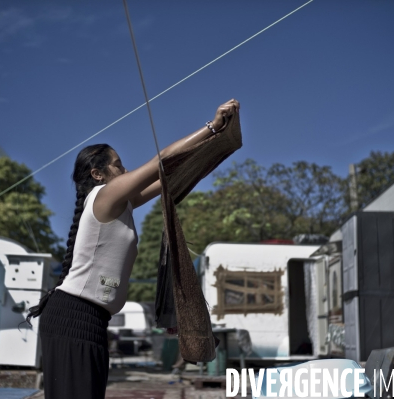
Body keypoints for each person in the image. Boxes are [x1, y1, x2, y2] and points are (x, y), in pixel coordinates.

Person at [25, 99, 240, 399]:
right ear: (98, 174)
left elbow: (169, 179)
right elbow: (161, 160)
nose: (124, 169)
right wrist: (212, 126)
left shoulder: (120, 204)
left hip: (91, 319)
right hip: (74, 315)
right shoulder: (104, 195)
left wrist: (217, 145)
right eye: (117, 165)